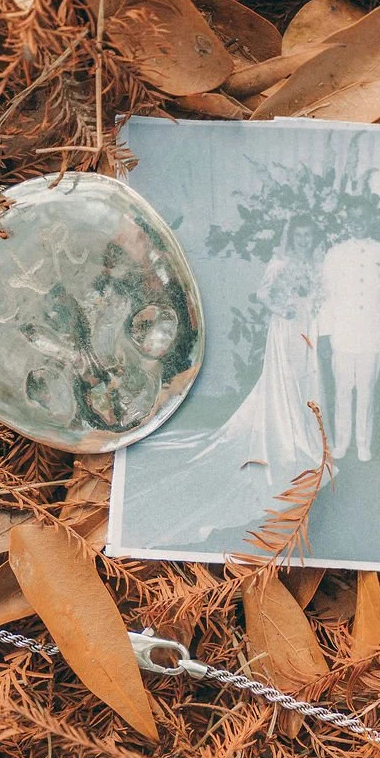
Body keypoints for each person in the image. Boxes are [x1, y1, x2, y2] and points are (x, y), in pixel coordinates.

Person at [127, 218, 325, 542]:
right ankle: (285, 431)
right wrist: (283, 307)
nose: (303, 240)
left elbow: (321, 296)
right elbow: (263, 293)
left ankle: (303, 429)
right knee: (285, 377)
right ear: (292, 237)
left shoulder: (315, 264)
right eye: (299, 235)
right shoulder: (280, 262)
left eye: (308, 235)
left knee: (305, 376)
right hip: (286, 327)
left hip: (306, 326)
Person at [316, 230, 380, 462]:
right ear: (349, 219)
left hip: (372, 334)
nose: (358, 223)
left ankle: (363, 443)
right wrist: (324, 333)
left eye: (362, 217)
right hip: (342, 333)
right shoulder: (335, 253)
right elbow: (326, 297)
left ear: (369, 219)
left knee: (366, 390)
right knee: (342, 390)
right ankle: (342, 442)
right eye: (354, 217)